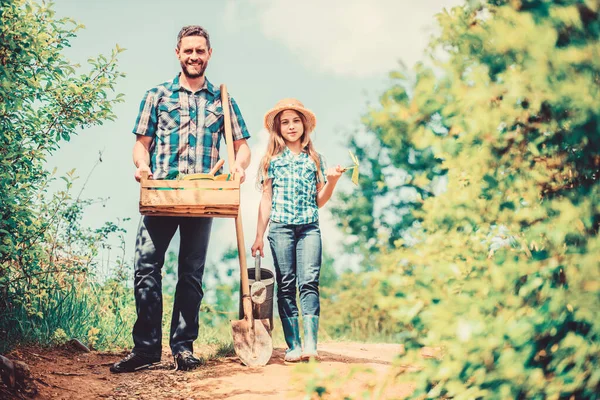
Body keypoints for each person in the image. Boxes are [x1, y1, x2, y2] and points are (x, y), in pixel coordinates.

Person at [110, 25, 251, 373]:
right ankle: (145, 350)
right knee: (146, 268)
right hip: (162, 194)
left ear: (209, 54)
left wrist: (240, 168)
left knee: (191, 274)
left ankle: (183, 348)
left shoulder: (223, 99)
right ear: (178, 53)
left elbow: (241, 146)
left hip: (203, 196)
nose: (194, 56)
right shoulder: (157, 95)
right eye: (188, 50)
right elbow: (141, 145)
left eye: (200, 51)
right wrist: (142, 167)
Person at [251, 99, 342, 362]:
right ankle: (293, 345)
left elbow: (320, 200)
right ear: (278, 128)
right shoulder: (271, 160)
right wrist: (259, 235)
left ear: (304, 125)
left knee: (309, 282)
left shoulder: (315, 159)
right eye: (285, 122)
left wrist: (332, 181)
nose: (291, 127)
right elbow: (266, 200)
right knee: (287, 284)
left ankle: (311, 345)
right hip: (280, 229)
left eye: (295, 121)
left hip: (309, 228)